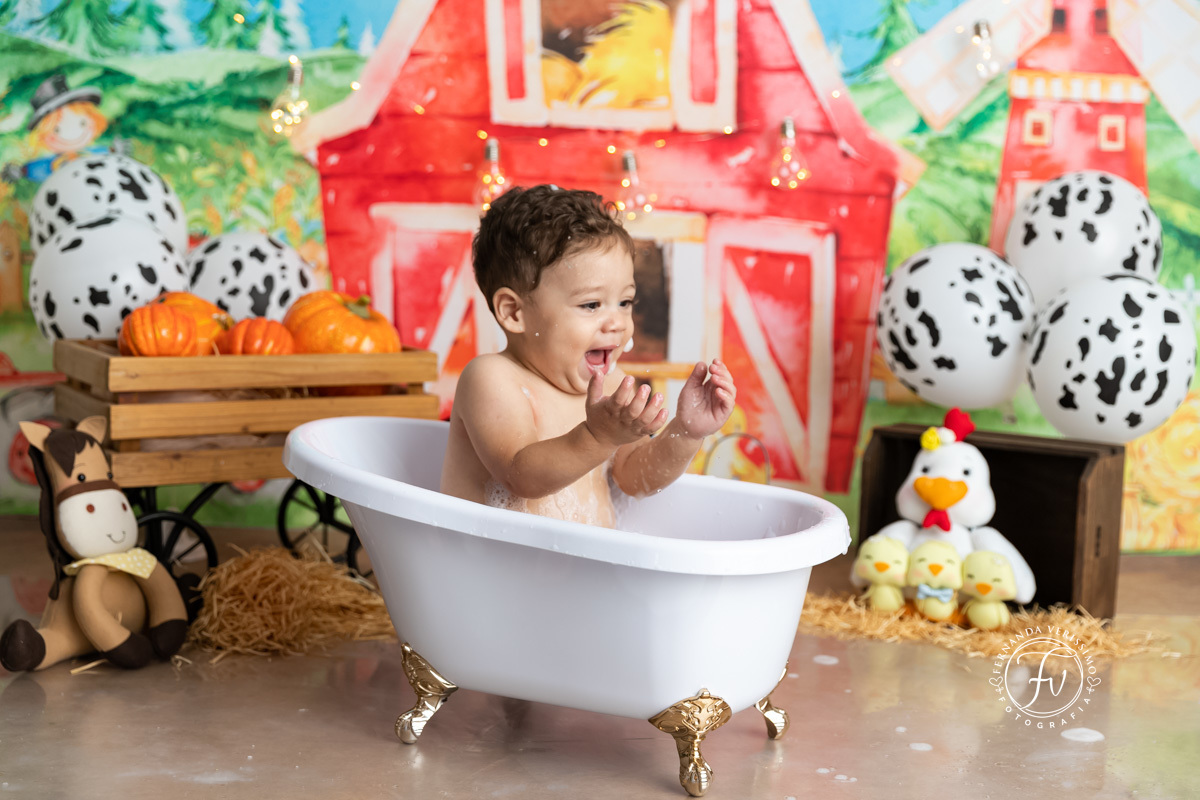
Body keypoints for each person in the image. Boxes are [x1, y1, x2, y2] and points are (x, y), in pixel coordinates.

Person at [441, 185, 736, 527]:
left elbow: (634, 480)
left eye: (624, 302)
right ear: (514, 312)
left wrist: (685, 432)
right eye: (591, 304)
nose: (617, 322)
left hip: (584, 559)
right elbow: (519, 476)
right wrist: (598, 438)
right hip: (492, 559)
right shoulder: (492, 378)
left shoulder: (610, 384)